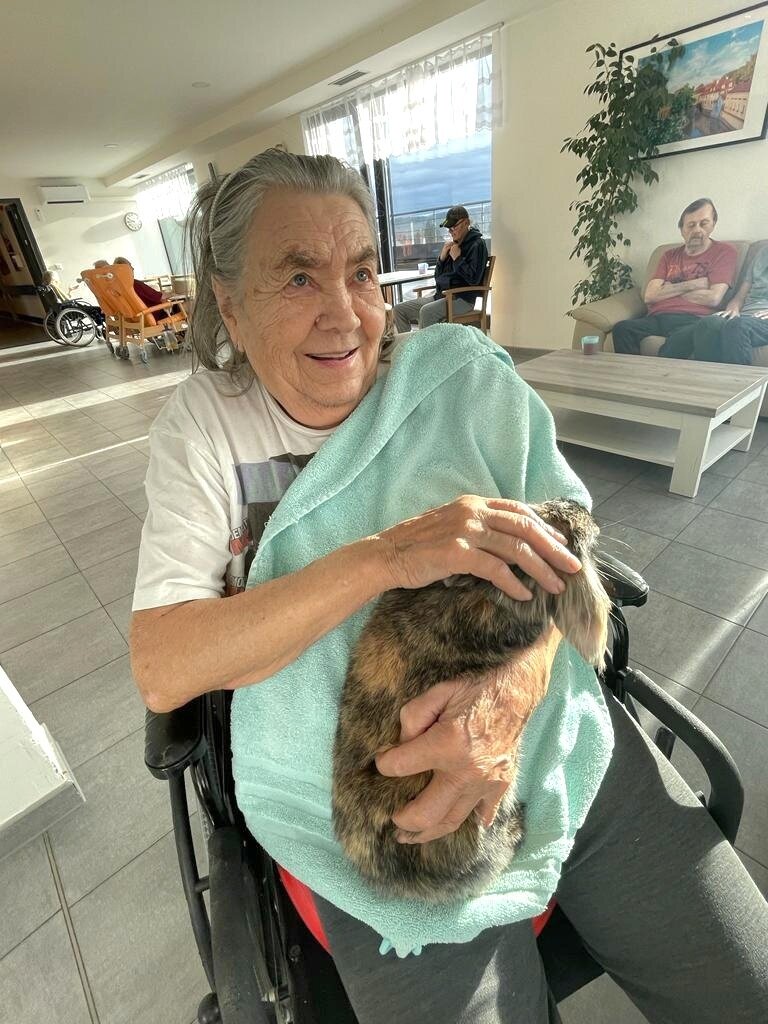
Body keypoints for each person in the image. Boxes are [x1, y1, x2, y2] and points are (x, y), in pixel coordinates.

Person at [129, 150, 768, 1024]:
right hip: (365, 808)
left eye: (362, 273)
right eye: (299, 277)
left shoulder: (455, 379)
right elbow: (165, 666)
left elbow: (567, 555)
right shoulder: (207, 427)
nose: (346, 313)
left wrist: (509, 699)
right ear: (231, 305)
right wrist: (388, 556)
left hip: (546, 727)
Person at [612, 198, 737, 358]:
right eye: (691, 225)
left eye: (704, 223)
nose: (697, 230)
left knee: (680, 339)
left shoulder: (724, 252)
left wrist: (669, 289)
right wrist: (693, 285)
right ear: (682, 230)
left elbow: (713, 298)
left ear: (713, 224)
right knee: (622, 329)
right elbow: (650, 295)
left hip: (694, 320)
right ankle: (633, 374)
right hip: (658, 317)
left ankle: (660, 370)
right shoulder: (669, 255)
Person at [393, 206, 488, 333]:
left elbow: (474, 280)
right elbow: (438, 277)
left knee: (426, 312)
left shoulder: (477, 244)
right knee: (399, 310)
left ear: (466, 223)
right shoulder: (454, 245)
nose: (451, 231)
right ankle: (409, 344)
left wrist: (457, 258)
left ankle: (425, 346)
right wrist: (442, 259)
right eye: (449, 228)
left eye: (454, 227)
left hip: (462, 299)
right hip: (441, 296)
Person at [687, 242, 768, 364]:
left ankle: (738, 377)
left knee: (737, 326)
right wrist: (733, 309)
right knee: (709, 323)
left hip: (760, 321)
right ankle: (709, 375)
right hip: (746, 316)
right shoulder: (763, 252)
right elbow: (740, 296)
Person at [113, 255, 171, 320]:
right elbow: (159, 297)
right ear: (125, 270)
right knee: (177, 304)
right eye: (130, 266)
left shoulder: (117, 289)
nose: (133, 268)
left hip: (135, 320)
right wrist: (172, 294)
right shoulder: (134, 284)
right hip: (156, 315)